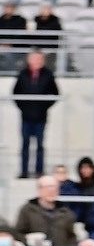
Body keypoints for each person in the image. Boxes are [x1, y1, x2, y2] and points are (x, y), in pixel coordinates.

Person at [12, 49, 58, 178]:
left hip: (40, 117)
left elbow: (55, 94)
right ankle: (24, 171)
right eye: (34, 59)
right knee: (25, 144)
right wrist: (23, 108)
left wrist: (44, 107)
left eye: (39, 59)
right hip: (26, 117)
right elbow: (15, 93)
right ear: (29, 60)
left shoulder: (48, 75)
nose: (37, 61)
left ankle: (39, 171)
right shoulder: (22, 74)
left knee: (40, 145)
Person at [14, 175, 78, 246]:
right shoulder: (27, 210)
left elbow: (72, 237)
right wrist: (29, 240)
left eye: (54, 187)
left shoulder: (66, 212)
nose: (51, 191)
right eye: (48, 187)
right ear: (39, 190)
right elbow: (18, 233)